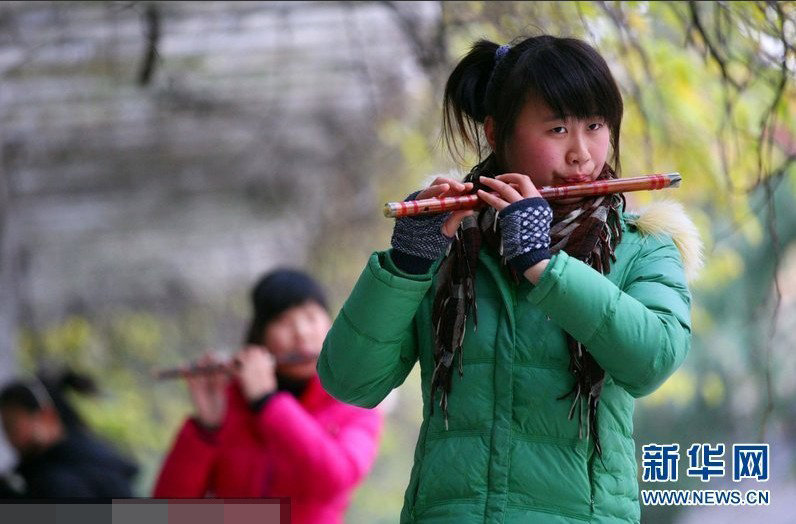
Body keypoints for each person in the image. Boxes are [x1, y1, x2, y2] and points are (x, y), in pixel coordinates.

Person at [318, 35, 702, 523]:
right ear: (497, 133)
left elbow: (651, 362)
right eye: (558, 128)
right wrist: (409, 262)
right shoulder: (448, 240)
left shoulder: (642, 246)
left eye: (596, 126)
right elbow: (350, 381)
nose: (582, 154)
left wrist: (542, 264)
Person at [154, 269, 383, 524]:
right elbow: (166, 511)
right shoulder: (230, 401)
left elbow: (335, 479)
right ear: (260, 335)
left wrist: (267, 403)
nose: (301, 333)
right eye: (284, 321)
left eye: (310, 317)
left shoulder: (355, 400)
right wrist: (206, 430)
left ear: (332, 324)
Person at [0, 367, 138, 497]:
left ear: (47, 417)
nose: (10, 438)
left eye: (12, 426)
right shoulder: (41, 472)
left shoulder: (65, 478)